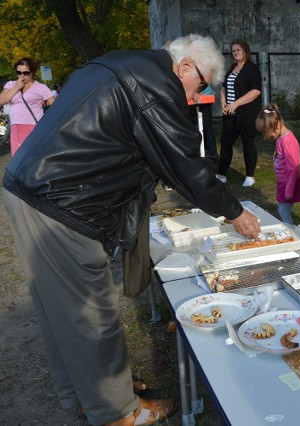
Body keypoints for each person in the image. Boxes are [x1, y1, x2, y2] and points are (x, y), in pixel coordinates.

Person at [2, 34, 261, 426]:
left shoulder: (128, 61)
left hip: (29, 186)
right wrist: (234, 212)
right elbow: (186, 164)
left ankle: (87, 394)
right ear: (187, 65)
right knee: (92, 311)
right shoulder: (158, 84)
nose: (196, 95)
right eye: (201, 85)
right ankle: (118, 412)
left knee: (59, 309)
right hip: (62, 202)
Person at [217, 38, 262, 187]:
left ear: (245, 51)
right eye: (233, 51)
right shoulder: (232, 68)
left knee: (248, 144)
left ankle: (250, 176)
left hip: (247, 114)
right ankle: (222, 174)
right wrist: (223, 101)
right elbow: (224, 87)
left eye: (238, 50)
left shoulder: (252, 68)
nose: (235, 52)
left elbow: (255, 91)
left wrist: (236, 103)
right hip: (230, 115)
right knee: (226, 143)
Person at [256, 104, 300, 224]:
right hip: (285, 182)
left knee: (283, 211)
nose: (265, 134)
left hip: (290, 183)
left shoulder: (287, 141)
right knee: (282, 210)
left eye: (265, 131)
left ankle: (291, 233)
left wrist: (288, 190)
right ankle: (289, 231)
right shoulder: (281, 138)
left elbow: (293, 168)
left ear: (276, 125)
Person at [0, 57, 55, 155]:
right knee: (17, 158)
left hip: (34, 127)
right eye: (19, 72)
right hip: (16, 127)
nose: (22, 76)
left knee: (33, 158)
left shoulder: (41, 87)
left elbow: (56, 106)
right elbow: (2, 100)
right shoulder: (11, 84)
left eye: (26, 73)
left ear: (33, 72)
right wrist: (17, 87)